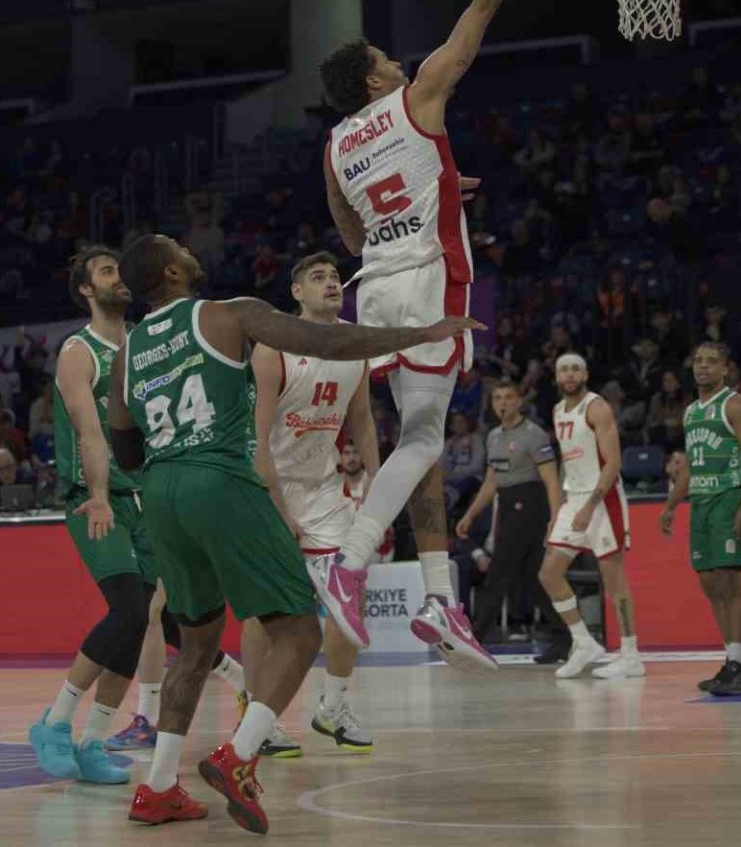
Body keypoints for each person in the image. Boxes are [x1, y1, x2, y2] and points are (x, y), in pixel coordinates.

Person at [105, 233, 476, 831]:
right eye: (178, 246)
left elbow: (125, 450)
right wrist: (419, 335)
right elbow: (328, 340)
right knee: (300, 628)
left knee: (196, 645)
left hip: (162, 490)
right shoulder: (228, 314)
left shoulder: (127, 354)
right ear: (171, 271)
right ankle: (239, 755)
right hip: (221, 478)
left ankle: (158, 787)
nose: (188, 250)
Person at [311, 0, 570, 670]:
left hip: (376, 289)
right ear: (373, 79)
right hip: (425, 279)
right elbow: (482, 5)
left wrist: (440, 188)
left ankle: (438, 600)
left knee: (418, 438)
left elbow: (349, 231)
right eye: (385, 59)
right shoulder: (419, 95)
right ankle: (350, 563)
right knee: (422, 442)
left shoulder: (334, 145)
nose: (399, 61)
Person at [27, 245, 163, 789]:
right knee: (127, 609)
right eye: (108, 271)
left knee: (139, 623)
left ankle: (94, 742)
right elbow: (89, 433)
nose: (119, 277)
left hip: (147, 498)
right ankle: (54, 723)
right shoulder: (78, 352)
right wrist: (102, 494)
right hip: (96, 499)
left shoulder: (145, 345)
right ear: (87, 289)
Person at [250, 253, 383, 755]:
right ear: (297, 292)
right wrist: (278, 509)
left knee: (350, 593)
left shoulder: (355, 343)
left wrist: (378, 482)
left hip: (325, 487)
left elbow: (362, 420)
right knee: (268, 612)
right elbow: (257, 439)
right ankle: (259, 716)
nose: (331, 283)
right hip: (271, 485)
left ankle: (333, 705)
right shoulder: (273, 346)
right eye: (318, 277)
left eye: (335, 277)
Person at [661, 343, 741, 696]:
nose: (703, 366)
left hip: (729, 497)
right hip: (701, 502)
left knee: (730, 581)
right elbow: (691, 464)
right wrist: (671, 504)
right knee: (709, 583)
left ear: (725, 369)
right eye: (698, 361)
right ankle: (738, 660)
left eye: (711, 361)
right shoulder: (691, 412)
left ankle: (738, 664)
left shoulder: (734, 404)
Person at [538, 354, 644, 679]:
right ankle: (584, 643)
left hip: (603, 498)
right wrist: (559, 510)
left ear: (585, 374)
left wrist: (589, 506)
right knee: (549, 574)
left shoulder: (597, 407)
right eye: (563, 370)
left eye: (575, 369)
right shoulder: (557, 410)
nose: (569, 374)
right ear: (557, 378)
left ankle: (631, 655)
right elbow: (566, 463)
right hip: (573, 498)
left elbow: (613, 463)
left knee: (613, 579)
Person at [456, 379, 566, 662]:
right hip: (506, 504)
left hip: (529, 503)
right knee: (533, 577)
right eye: (497, 398)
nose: (503, 403)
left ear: (519, 401)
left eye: (508, 397)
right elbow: (491, 481)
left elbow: (551, 479)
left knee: (499, 572)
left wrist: (556, 516)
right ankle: (566, 638)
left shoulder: (533, 434)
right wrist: (470, 514)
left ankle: (476, 638)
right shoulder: (493, 436)